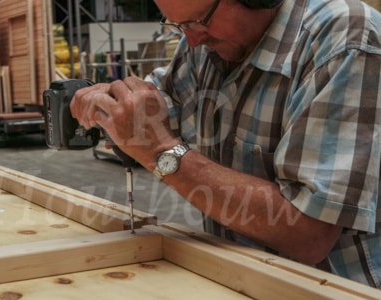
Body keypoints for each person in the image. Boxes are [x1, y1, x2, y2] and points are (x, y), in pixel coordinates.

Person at [70, 0, 381, 288]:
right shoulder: (203, 45)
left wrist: (160, 151)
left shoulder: (343, 40)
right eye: (178, 26)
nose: (192, 40)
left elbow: (308, 234)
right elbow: (153, 112)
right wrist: (116, 109)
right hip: (239, 279)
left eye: (199, 21)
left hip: (330, 288)